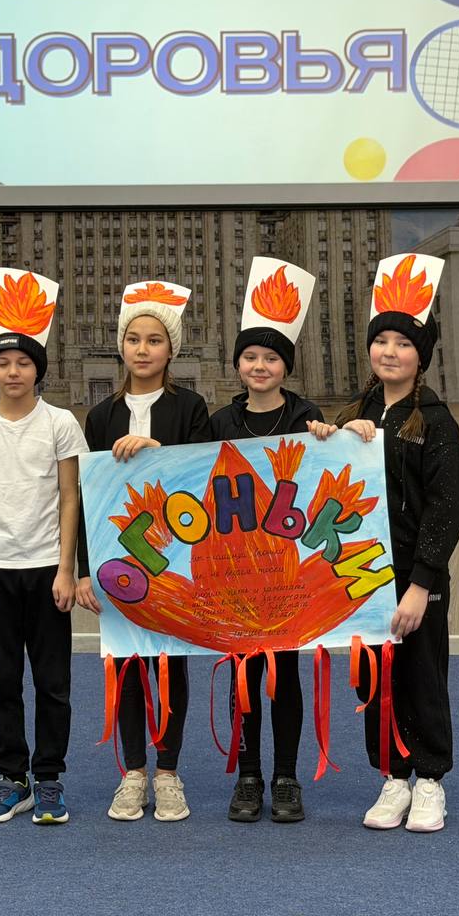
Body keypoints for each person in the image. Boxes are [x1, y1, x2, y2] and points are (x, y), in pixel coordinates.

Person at [324, 253, 459, 832]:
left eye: (403, 343)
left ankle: (430, 780)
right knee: (376, 679)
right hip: (362, 575)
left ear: (421, 356)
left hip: (414, 579)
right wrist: (330, 438)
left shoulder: (435, 421)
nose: (390, 351)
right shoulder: (353, 414)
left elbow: (447, 508)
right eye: (381, 341)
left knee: (423, 675)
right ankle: (392, 777)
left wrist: (420, 585)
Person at [0, 269, 88, 825]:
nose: (13, 372)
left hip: (46, 571)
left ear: (38, 370)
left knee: (53, 683)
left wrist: (65, 569)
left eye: (23, 363)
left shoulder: (60, 423)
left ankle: (49, 779)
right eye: (3, 363)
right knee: (0, 680)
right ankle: (13, 778)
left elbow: (70, 498)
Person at [74, 280, 211, 822]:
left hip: (174, 560)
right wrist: (85, 570)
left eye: (155, 340)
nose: (143, 349)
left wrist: (158, 453)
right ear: (121, 347)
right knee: (127, 666)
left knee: (171, 667)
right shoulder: (100, 417)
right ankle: (132, 773)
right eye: (134, 339)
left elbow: (202, 479)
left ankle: (168, 772)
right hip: (119, 563)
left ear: (171, 350)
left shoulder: (191, 408)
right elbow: (88, 498)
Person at [208, 257, 322, 823]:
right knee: (244, 678)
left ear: (285, 367)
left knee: (286, 677)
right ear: (238, 364)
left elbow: (327, 477)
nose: (260, 365)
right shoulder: (219, 423)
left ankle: (286, 777)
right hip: (236, 575)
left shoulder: (307, 417)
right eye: (250, 356)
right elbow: (190, 485)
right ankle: (248, 775)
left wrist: (335, 436)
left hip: (287, 575)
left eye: (271, 358)